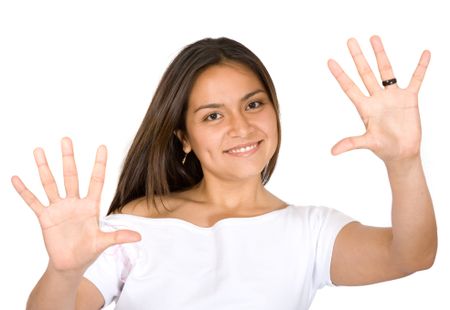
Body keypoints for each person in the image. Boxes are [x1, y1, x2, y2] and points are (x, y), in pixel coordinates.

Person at [12, 36, 437, 310]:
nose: (241, 127)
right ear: (184, 137)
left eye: (253, 104)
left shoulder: (309, 232)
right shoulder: (135, 227)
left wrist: (404, 162)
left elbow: (411, 255)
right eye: (213, 115)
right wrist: (63, 272)